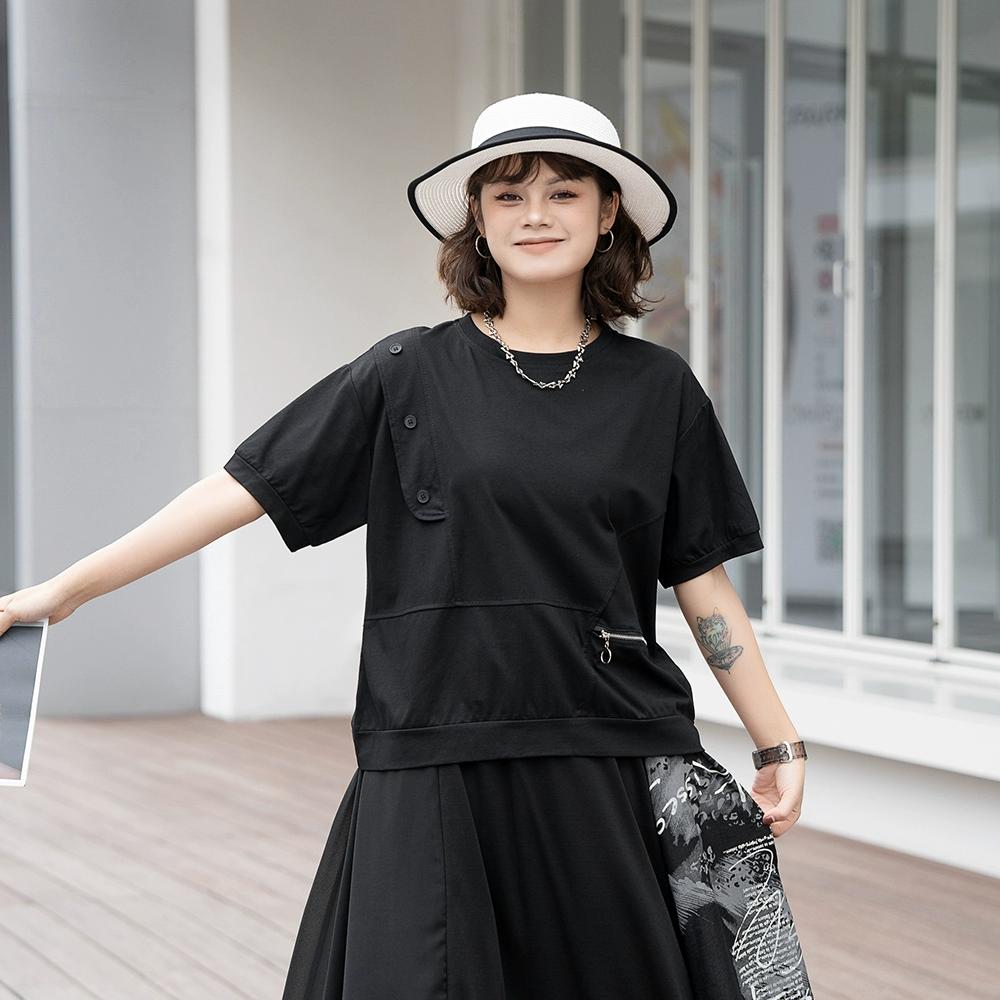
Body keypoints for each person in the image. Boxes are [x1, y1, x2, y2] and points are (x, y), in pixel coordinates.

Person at [0, 93, 813, 999]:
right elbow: (239, 491)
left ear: (607, 211)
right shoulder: (406, 374)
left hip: (609, 755)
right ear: (479, 219)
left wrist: (778, 744)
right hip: (433, 753)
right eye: (508, 195)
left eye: (563, 192)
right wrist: (64, 592)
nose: (535, 215)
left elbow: (703, 583)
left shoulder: (659, 389)